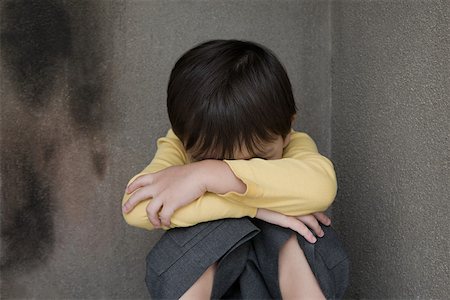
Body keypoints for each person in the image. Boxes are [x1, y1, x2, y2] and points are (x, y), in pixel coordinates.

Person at [121, 39, 349, 299]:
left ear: (287, 128)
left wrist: (208, 174)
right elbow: (136, 209)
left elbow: (321, 188)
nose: (236, 166)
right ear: (183, 139)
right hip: (214, 285)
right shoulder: (178, 146)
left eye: (258, 158)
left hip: (273, 284)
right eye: (213, 160)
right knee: (211, 229)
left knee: (297, 230)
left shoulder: (295, 143)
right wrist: (253, 208)